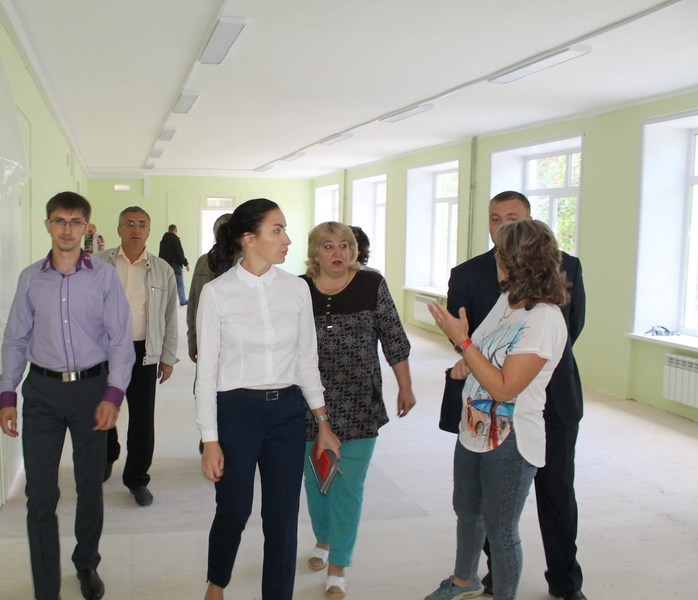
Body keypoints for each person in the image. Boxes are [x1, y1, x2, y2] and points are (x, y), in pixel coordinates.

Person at [195, 198, 341, 600]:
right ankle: (217, 582)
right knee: (234, 509)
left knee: (282, 517)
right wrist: (210, 440)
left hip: (287, 414)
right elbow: (207, 373)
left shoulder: (296, 289)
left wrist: (323, 423)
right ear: (249, 238)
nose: (287, 239)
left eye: (285, 230)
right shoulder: (217, 293)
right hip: (236, 413)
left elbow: (306, 361)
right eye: (277, 230)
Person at [447, 191, 587, 600]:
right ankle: (490, 578)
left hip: (543, 401)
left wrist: (522, 365)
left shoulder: (559, 284)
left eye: (512, 218)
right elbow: (473, 339)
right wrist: (472, 356)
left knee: (554, 493)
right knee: (487, 509)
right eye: (495, 218)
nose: (503, 225)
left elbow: (570, 329)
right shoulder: (475, 278)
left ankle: (564, 582)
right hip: (486, 410)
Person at [0, 191, 135, 600]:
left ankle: (86, 562)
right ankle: (46, 588)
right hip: (42, 393)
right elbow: (15, 339)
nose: (67, 229)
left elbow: (120, 339)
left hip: (92, 392)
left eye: (75, 222)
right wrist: (7, 394)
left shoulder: (104, 277)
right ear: (48, 224)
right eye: (59, 221)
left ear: (86, 228)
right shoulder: (30, 278)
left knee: (89, 484)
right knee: (40, 495)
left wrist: (113, 393)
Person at [301, 222, 416, 599]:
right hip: (309, 404)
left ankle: (338, 565)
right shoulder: (298, 289)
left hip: (360, 402)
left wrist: (405, 386)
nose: (338, 252)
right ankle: (323, 539)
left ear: (353, 251)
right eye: (328, 246)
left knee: (348, 484)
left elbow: (394, 337)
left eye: (344, 245)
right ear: (315, 252)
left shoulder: (371, 284)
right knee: (318, 480)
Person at [96, 207, 178, 507]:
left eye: (142, 224)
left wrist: (167, 356)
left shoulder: (162, 269)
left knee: (142, 420)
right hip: (103, 352)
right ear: (119, 229)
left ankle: (137, 479)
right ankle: (107, 455)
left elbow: (170, 317)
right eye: (129, 223)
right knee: (102, 410)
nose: (135, 229)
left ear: (149, 231)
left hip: (143, 352)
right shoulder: (97, 263)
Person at [186, 213, 233, 363]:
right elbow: (193, 303)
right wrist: (192, 341)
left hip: (234, 342)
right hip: (206, 336)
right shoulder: (203, 262)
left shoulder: (244, 263)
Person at [159, 223, 190, 306]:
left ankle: (166, 302)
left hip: (164, 266)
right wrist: (186, 264)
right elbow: (179, 253)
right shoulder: (175, 240)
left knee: (166, 285)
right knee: (179, 284)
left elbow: (160, 255)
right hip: (175, 266)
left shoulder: (163, 241)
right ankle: (182, 300)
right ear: (176, 230)